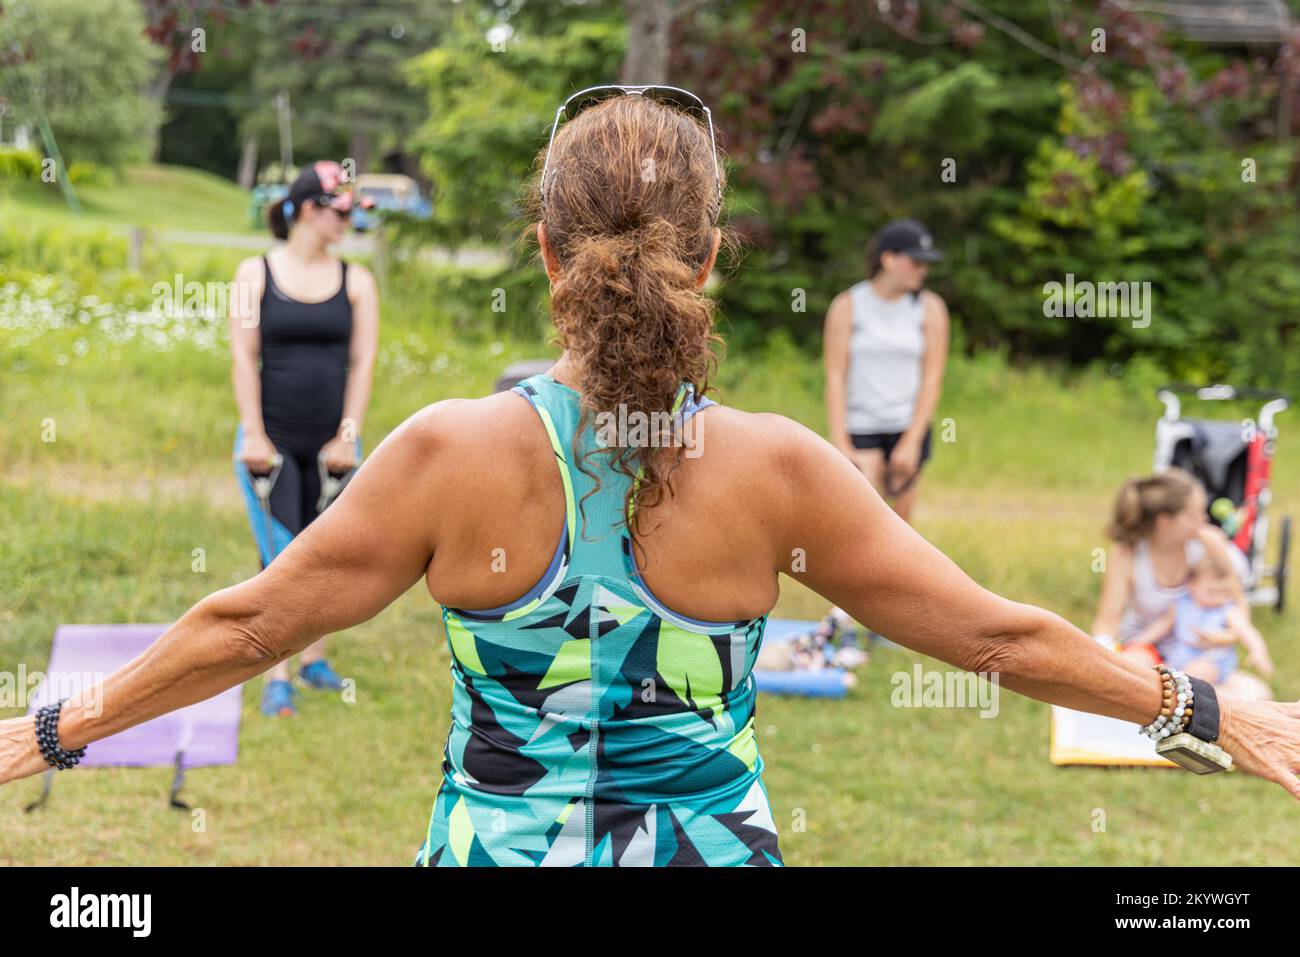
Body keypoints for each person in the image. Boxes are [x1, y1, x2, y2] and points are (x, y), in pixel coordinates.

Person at [5, 88, 1300, 868]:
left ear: (546, 249)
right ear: (714, 254)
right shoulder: (778, 469)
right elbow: (999, 636)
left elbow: (248, 623)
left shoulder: (448, 454)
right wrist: (1211, 707)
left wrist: (51, 729)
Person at [229, 160, 380, 717]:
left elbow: (362, 364)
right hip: (270, 440)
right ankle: (277, 675)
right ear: (310, 210)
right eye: (341, 212)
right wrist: (254, 434)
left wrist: (348, 436)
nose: (348, 224)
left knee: (329, 557)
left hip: (332, 443)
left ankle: (314, 660)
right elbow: (244, 357)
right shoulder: (254, 274)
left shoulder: (357, 280)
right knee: (279, 561)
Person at [823, 218, 950, 524]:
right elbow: (835, 377)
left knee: (902, 525)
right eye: (916, 262)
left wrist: (911, 442)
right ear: (889, 259)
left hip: (907, 426)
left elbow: (932, 379)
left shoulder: (931, 309)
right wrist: (840, 442)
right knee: (864, 522)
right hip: (861, 426)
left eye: (926, 263)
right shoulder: (848, 306)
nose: (923, 270)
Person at [1127, 553, 1274, 701]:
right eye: (1212, 592)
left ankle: (1188, 693)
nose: (1220, 598)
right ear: (1193, 586)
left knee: (1200, 671)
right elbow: (1163, 625)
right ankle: (1198, 693)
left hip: (1212, 662)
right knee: (1160, 671)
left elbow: (1246, 631)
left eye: (1225, 592)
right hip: (1180, 659)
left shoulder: (1226, 610)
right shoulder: (1182, 604)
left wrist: (1258, 651)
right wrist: (1139, 641)